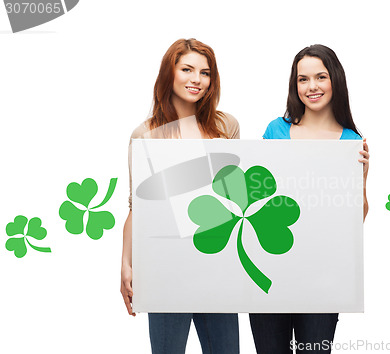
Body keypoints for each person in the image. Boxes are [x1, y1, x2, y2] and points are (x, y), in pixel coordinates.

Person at [120, 38, 240, 354]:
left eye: (205, 72)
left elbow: (236, 196)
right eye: (187, 69)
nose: (196, 79)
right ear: (169, 73)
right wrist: (126, 264)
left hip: (216, 261)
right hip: (165, 263)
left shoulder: (225, 126)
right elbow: (137, 206)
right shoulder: (145, 133)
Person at [249, 44, 370, 353]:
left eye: (320, 77)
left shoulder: (352, 142)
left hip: (322, 277)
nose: (312, 86)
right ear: (295, 85)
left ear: (335, 81)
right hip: (271, 270)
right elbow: (257, 198)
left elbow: (354, 220)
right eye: (303, 79)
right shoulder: (276, 131)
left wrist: (363, 178)